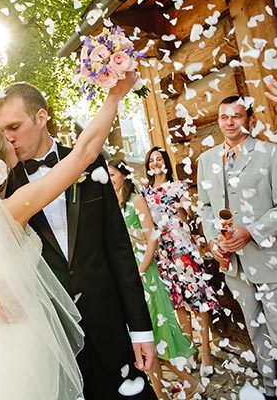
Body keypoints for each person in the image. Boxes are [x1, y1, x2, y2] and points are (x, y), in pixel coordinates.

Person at [0, 72, 157, 400]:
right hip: (40, 343)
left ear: (41, 118)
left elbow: (118, 250)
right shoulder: (10, 203)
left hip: (90, 333)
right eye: (2, 135)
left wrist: (140, 327)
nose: (10, 140)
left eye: (13, 129)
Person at [196, 95, 277, 400]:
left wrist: (251, 231)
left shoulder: (274, 154)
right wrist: (212, 241)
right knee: (256, 329)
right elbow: (205, 207)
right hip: (233, 264)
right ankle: (270, 387)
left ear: (251, 120)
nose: (230, 122)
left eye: (237, 116)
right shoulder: (206, 160)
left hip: (271, 258)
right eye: (224, 117)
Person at [108, 159, 201, 400]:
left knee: (155, 333)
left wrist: (141, 269)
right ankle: (161, 392)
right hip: (126, 274)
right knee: (140, 338)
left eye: (113, 174)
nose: (110, 179)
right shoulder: (113, 203)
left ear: (124, 176)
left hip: (143, 272)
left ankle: (186, 382)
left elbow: (153, 238)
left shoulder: (135, 200)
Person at [141, 147, 218, 376]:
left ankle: (206, 350)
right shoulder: (144, 193)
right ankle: (189, 350)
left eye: (159, 159)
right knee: (178, 301)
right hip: (161, 251)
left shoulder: (178, 186)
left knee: (197, 298)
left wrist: (183, 207)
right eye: (151, 160)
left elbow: (190, 214)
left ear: (166, 163)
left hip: (181, 246)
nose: (155, 163)